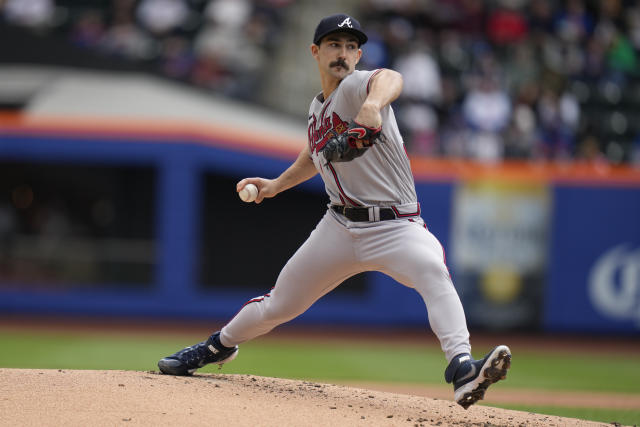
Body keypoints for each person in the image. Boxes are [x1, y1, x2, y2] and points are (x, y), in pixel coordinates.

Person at [157, 13, 511, 409]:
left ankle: (463, 369)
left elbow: (390, 77)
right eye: (333, 45)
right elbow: (313, 157)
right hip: (338, 227)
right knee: (279, 305)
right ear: (315, 51)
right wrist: (274, 186)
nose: (342, 54)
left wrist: (374, 106)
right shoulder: (316, 111)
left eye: (349, 47)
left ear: (358, 55)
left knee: (432, 271)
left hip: (396, 226)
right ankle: (217, 347)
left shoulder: (358, 88)